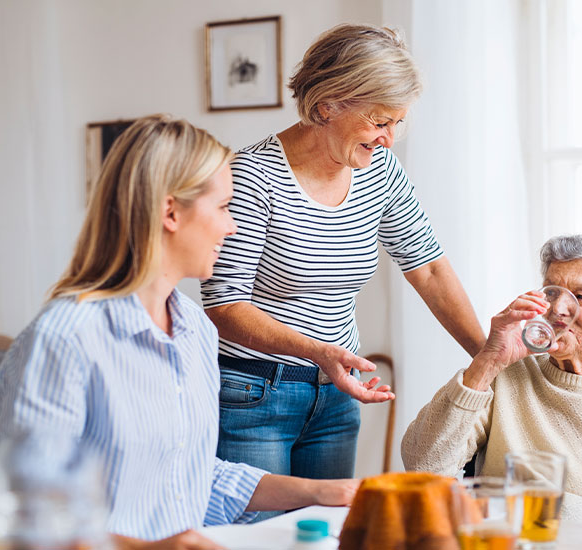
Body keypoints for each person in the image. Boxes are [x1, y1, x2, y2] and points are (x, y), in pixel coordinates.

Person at [0, 114, 358, 548]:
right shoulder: (64, 339)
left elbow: (195, 474)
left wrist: (322, 492)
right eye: (224, 207)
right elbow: (35, 524)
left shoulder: (194, 331)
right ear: (170, 211)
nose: (232, 226)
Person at [200, 23, 486, 482]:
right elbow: (224, 304)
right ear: (327, 104)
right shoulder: (253, 176)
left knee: (328, 535)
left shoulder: (380, 171)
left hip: (336, 395)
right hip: (254, 393)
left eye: (398, 122)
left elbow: (428, 267)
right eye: (379, 121)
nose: (389, 138)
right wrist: (319, 353)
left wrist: (487, 358)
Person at [401, 234, 582, 530]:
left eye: (580, 297)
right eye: (552, 294)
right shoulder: (506, 376)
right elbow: (423, 467)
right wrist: (487, 361)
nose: (557, 309)